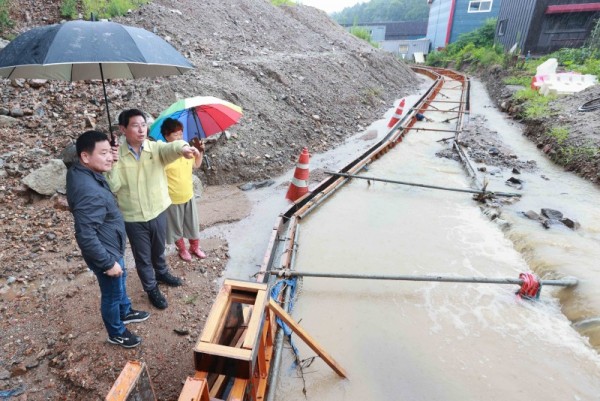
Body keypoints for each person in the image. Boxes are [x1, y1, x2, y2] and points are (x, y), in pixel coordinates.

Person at [105, 109, 200, 310]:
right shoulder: (117, 156)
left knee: (158, 249)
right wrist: (112, 163)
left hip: (158, 210)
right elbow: (113, 187)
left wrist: (184, 148)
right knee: (143, 256)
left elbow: (172, 147)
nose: (141, 129)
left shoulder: (155, 148)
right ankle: (151, 288)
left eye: (143, 124)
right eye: (135, 125)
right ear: (122, 129)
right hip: (133, 216)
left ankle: (162, 272)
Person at [66, 130, 149, 349]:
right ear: (85, 156)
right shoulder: (87, 191)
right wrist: (107, 263)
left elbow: (101, 162)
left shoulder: (82, 171)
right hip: (105, 252)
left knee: (121, 281)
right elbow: (85, 234)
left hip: (110, 243)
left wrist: (107, 154)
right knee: (111, 294)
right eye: (103, 153)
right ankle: (116, 332)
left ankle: (126, 311)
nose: (110, 157)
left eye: (109, 153)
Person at [160, 118, 207, 262]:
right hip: (172, 198)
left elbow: (196, 165)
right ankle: (182, 249)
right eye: (175, 135)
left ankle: (194, 247)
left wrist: (200, 152)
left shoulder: (187, 150)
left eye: (181, 134)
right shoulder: (164, 155)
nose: (179, 138)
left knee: (192, 224)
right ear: (166, 136)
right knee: (175, 227)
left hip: (188, 195)